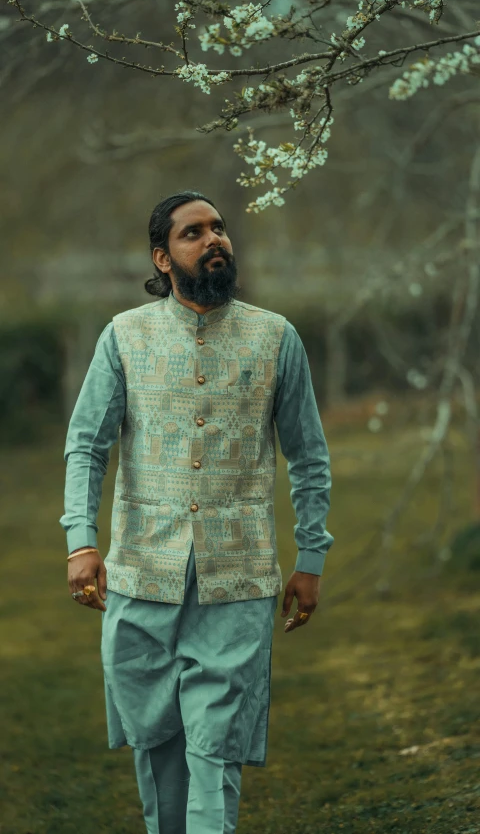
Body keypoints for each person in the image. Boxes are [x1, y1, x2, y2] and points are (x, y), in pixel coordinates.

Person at [60, 190, 334, 834]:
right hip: (140, 576)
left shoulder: (275, 337)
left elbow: (309, 458)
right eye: (193, 233)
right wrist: (80, 540)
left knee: (214, 749)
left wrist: (311, 558)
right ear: (163, 255)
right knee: (157, 749)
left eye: (219, 228)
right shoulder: (124, 336)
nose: (214, 239)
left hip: (236, 582)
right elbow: (86, 446)